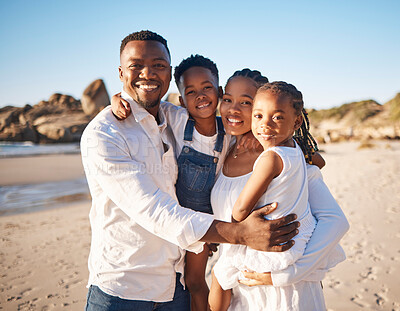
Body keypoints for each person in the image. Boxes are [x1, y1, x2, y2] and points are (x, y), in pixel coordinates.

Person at [81, 30, 298, 311]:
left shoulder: (174, 117)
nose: (148, 73)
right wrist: (237, 233)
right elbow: (154, 210)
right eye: (136, 66)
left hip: (174, 286)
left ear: (169, 74)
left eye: (158, 65)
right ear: (121, 72)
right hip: (123, 290)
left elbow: (253, 118)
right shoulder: (104, 134)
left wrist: (292, 146)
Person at [208, 71, 349, 310]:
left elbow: (335, 221)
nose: (233, 109)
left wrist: (291, 274)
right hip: (241, 289)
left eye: (246, 102)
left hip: (282, 291)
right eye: (227, 99)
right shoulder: (223, 148)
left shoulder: (284, 159)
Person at [111, 54, 232, 311]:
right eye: (191, 91)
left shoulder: (231, 132)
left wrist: (307, 153)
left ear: (220, 91)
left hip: (218, 218)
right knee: (193, 281)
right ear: (181, 99)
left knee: (225, 276)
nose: (200, 96)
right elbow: (143, 102)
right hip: (185, 219)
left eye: (207, 88)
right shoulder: (177, 120)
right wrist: (116, 98)